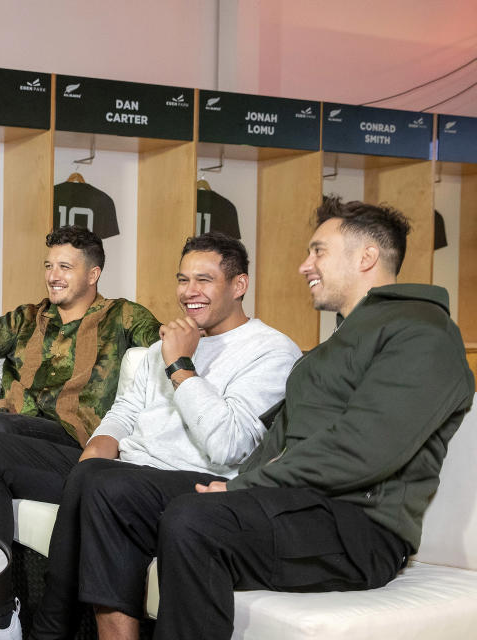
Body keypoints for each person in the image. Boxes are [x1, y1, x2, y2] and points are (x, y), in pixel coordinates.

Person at [74, 197, 475, 640]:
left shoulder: (423, 332)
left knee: (194, 520)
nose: (305, 265)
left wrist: (240, 488)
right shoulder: (326, 352)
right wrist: (235, 484)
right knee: (112, 487)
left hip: (362, 528)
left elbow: (365, 450)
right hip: (297, 503)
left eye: (318, 251)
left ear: (367, 257)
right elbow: (275, 443)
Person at [0, 232, 301, 639]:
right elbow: (126, 409)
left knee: (99, 480)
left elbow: (228, 446)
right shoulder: (168, 343)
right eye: (182, 279)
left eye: (204, 280)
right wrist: (102, 441)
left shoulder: (271, 350)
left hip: (193, 479)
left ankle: (51, 626)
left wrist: (182, 368)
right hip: (126, 466)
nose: (189, 292)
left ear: (238, 285)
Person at [0, 225, 160, 638]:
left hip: (66, 441)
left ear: (93, 274)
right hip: (3, 427)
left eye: (65, 266)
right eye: (49, 265)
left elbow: (165, 353)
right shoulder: (29, 317)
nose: (53, 275)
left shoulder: (125, 316)